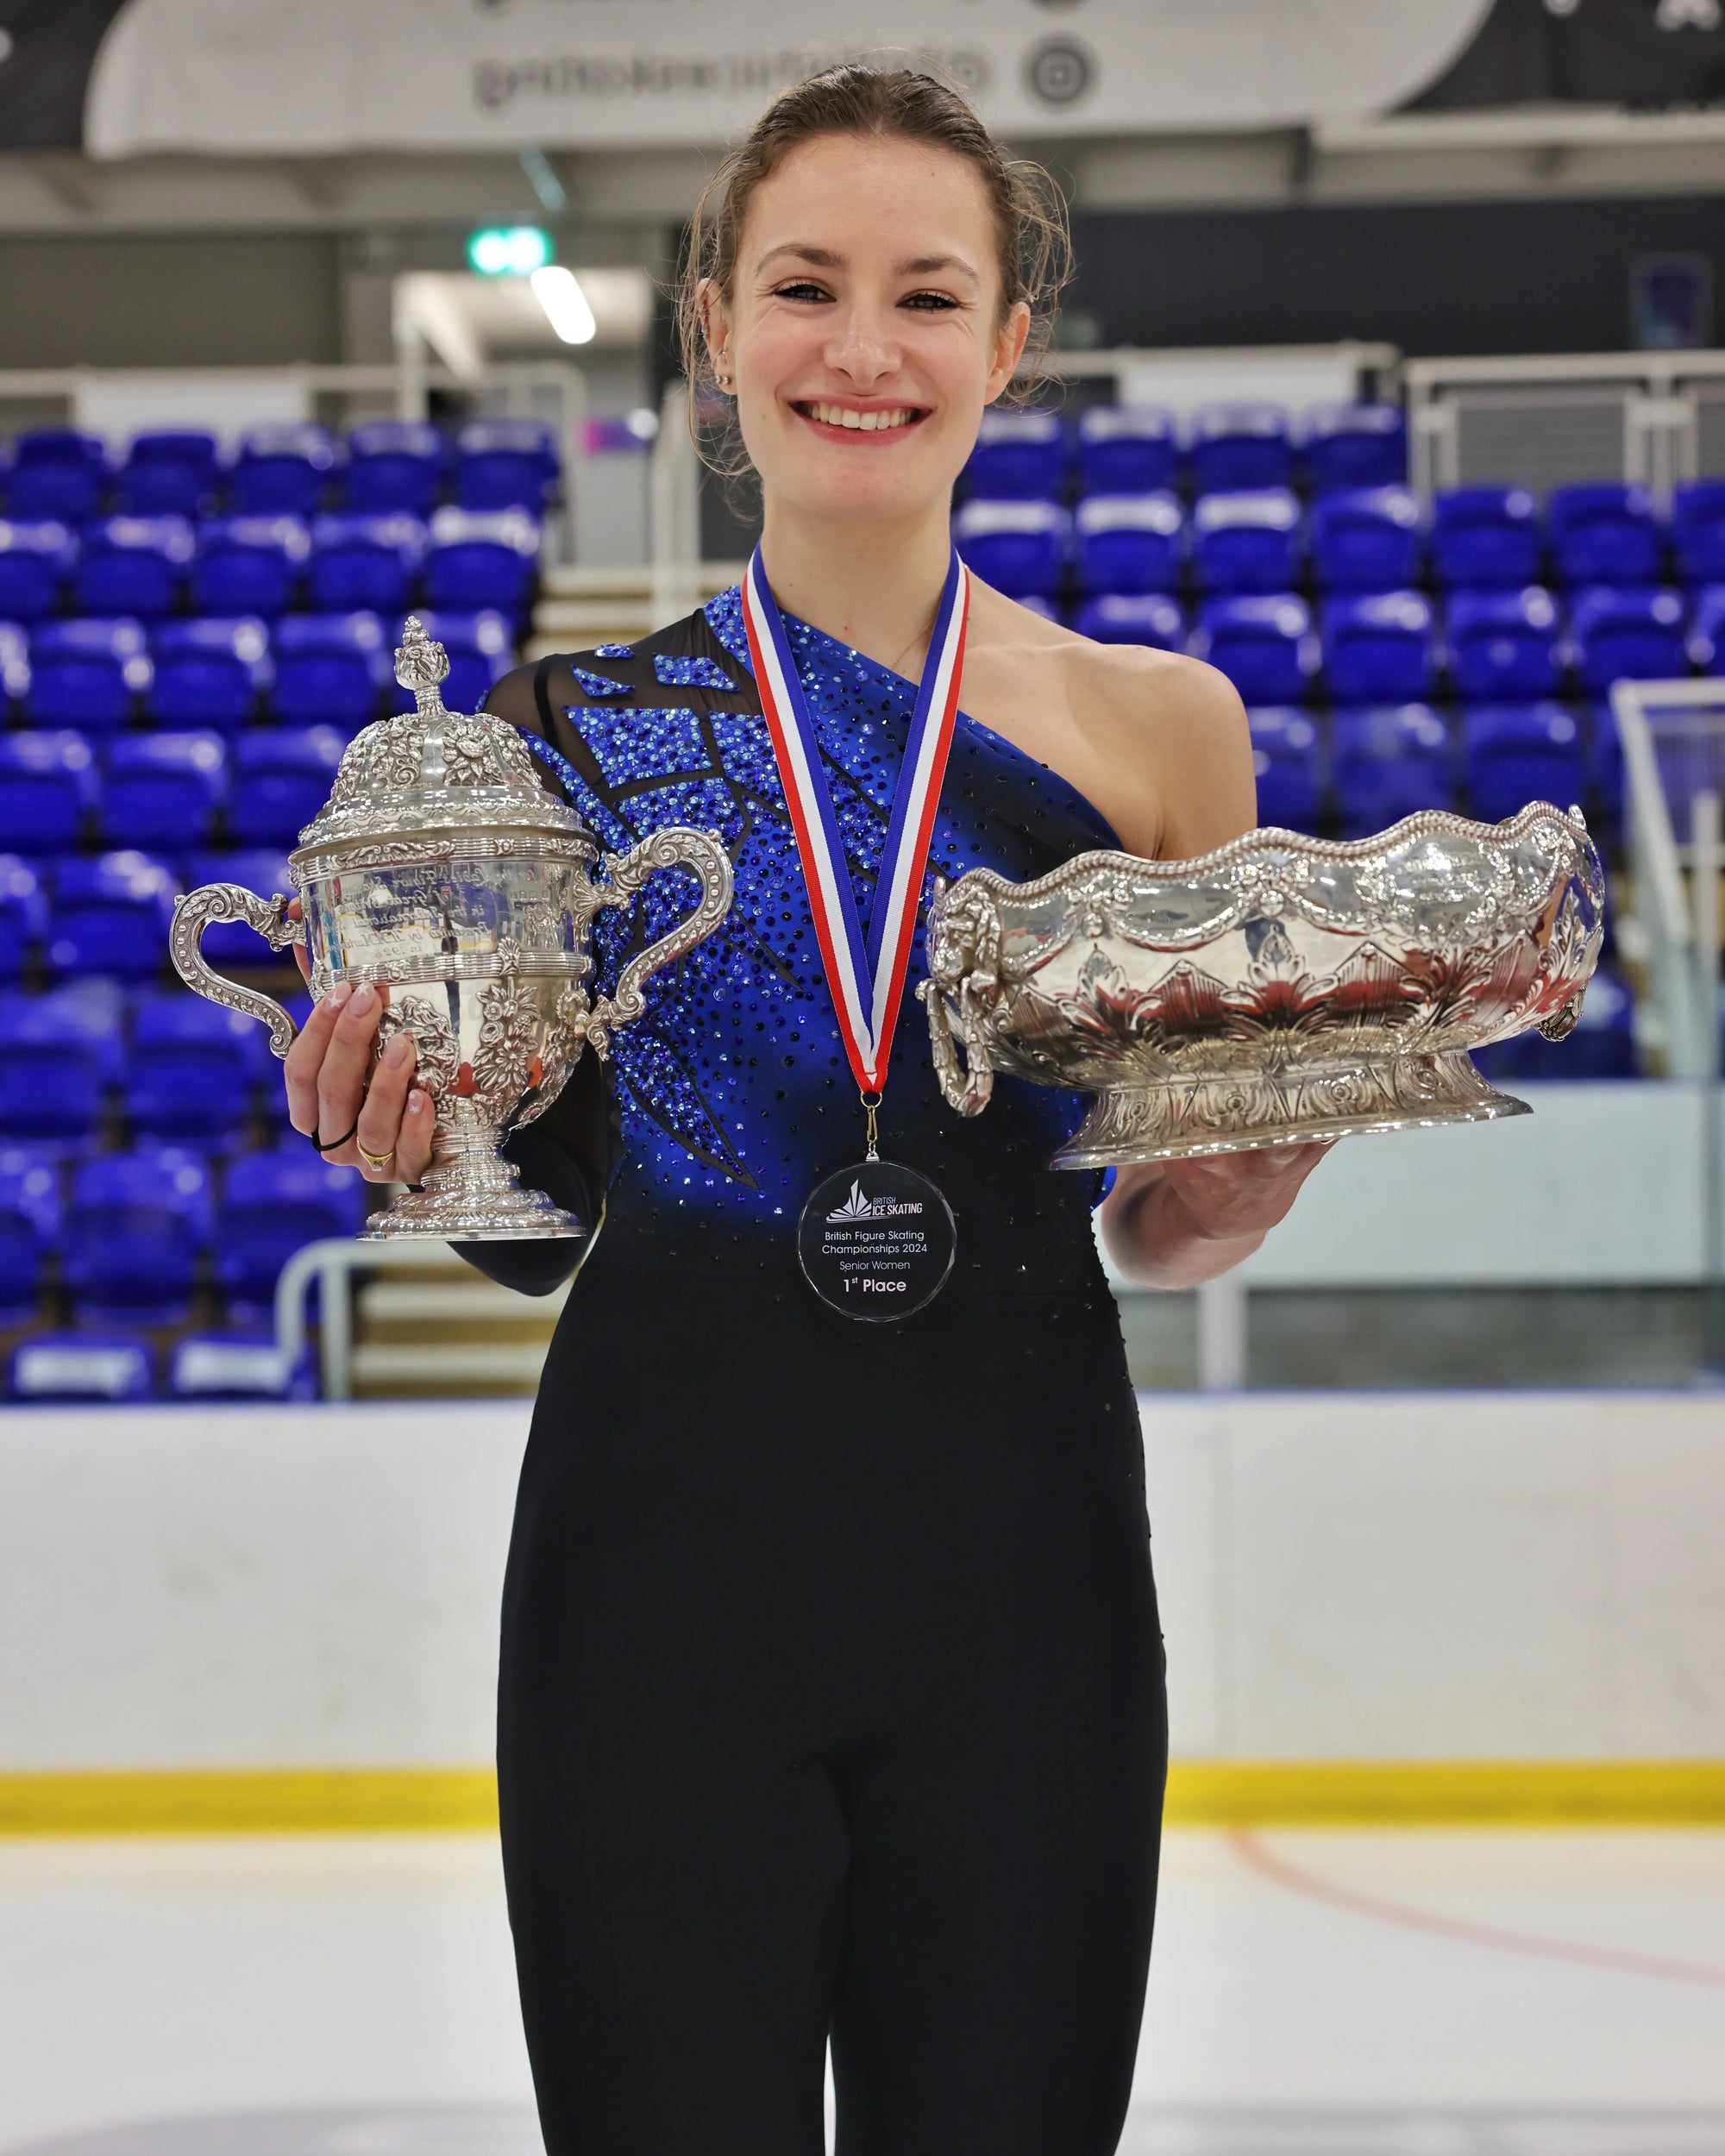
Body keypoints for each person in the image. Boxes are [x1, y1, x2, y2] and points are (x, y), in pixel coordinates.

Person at [283, 65, 1329, 2156]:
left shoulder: (1162, 732)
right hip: (655, 1591)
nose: (864, 350)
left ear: (1010, 342)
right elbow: (542, 1209)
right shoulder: (553, 741)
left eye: (927, 296)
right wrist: (413, 1136)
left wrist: (1236, 1189)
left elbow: (1156, 1218)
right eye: (805, 287)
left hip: (1015, 1582)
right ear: (712, 322)